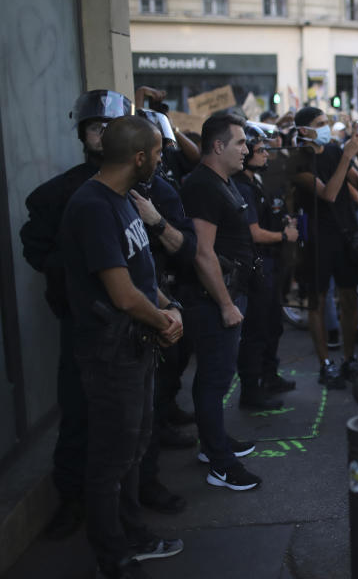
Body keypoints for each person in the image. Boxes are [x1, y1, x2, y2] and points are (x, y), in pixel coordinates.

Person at [61, 115, 184, 579]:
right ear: (138, 158)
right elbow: (122, 293)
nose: (159, 157)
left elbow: (140, 275)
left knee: (132, 450)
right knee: (110, 459)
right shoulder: (92, 207)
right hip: (110, 353)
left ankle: (134, 534)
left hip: (135, 346)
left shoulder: (121, 200)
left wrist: (170, 309)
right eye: (154, 152)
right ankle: (111, 556)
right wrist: (164, 322)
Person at [19, 89, 132, 539]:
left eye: (111, 127)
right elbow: (36, 247)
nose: (103, 135)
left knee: (137, 415)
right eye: (95, 127)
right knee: (79, 411)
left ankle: (137, 492)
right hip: (86, 324)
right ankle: (72, 499)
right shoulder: (58, 194)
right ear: (83, 134)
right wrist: (76, 272)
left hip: (137, 320)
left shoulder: (140, 185)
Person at [179, 113, 261, 491]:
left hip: (228, 292)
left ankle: (214, 445)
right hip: (213, 300)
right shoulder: (203, 186)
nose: (247, 149)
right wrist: (227, 305)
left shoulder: (220, 182)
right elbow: (203, 253)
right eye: (241, 142)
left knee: (215, 378)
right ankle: (221, 465)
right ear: (218, 146)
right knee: (214, 380)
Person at [128, 109, 197, 515]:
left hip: (160, 305)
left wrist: (167, 309)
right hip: (118, 327)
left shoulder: (161, 189)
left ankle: (145, 485)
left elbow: (185, 248)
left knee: (156, 397)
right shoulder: (94, 198)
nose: (160, 158)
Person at [291, 107, 358, 387]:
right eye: (320, 124)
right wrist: (347, 155)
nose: (326, 127)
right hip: (316, 238)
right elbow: (329, 193)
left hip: (344, 235)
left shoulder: (336, 152)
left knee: (350, 298)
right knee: (318, 300)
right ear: (304, 131)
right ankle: (325, 363)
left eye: (327, 122)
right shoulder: (299, 161)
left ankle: (349, 359)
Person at [234, 124, 300, 410]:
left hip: (269, 265)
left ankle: (268, 376)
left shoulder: (254, 182)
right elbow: (253, 233)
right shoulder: (241, 186)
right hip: (256, 265)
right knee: (257, 330)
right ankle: (251, 390)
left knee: (272, 324)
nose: (265, 154)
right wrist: (285, 235)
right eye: (259, 150)